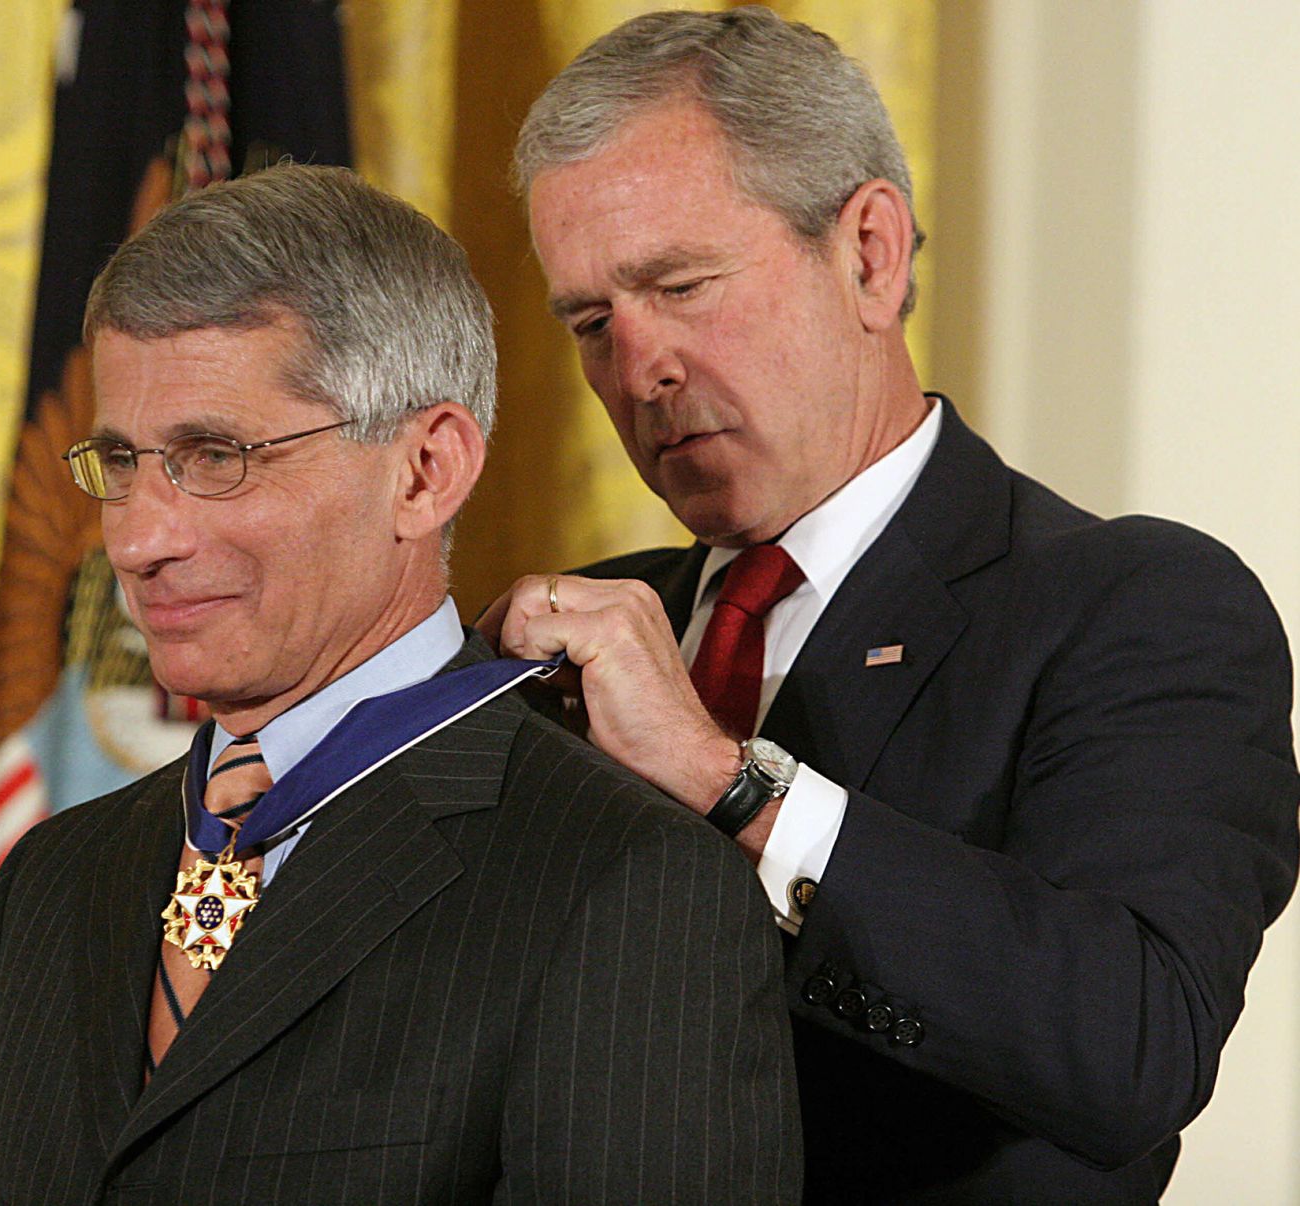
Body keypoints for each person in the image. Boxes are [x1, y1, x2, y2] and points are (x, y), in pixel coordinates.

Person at [482, 8, 1300, 1201]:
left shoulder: (1134, 606)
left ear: (870, 251)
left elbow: (1128, 1045)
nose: (637, 369)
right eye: (592, 323)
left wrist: (732, 784)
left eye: (683, 285)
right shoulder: (559, 647)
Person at [0, 164, 801, 1203]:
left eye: (215, 455)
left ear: (425, 471)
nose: (139, 538)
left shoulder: (621, 886)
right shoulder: (50, 879)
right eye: (121, 461)